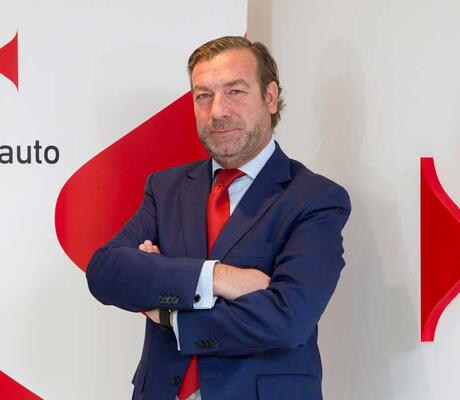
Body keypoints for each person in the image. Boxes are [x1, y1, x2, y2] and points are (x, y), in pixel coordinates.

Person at [86, 36, 351, 400]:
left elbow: (289, 319)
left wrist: (170, 315)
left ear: (270, 97)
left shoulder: (315, 198)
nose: (218, 111)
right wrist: (218, 278)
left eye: (235, 91)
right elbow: (106, 273)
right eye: (203, 95)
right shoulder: (165, 189)